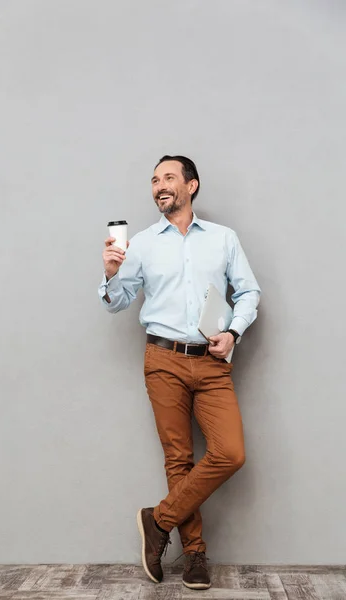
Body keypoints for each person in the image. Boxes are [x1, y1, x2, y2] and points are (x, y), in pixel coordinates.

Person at [98, 155, 261, 590]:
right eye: (154, 180)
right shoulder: (144, 243)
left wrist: (232, 331)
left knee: (230, 453)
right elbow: (116, 302)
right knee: (179, 459)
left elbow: (248, 292)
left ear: (192, 186)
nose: (159, 186)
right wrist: (111, 275)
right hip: (163, 360)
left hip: (211, 361)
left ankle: (159, 519)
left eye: (169, 178)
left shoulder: (223, 238)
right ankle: (194, 555)